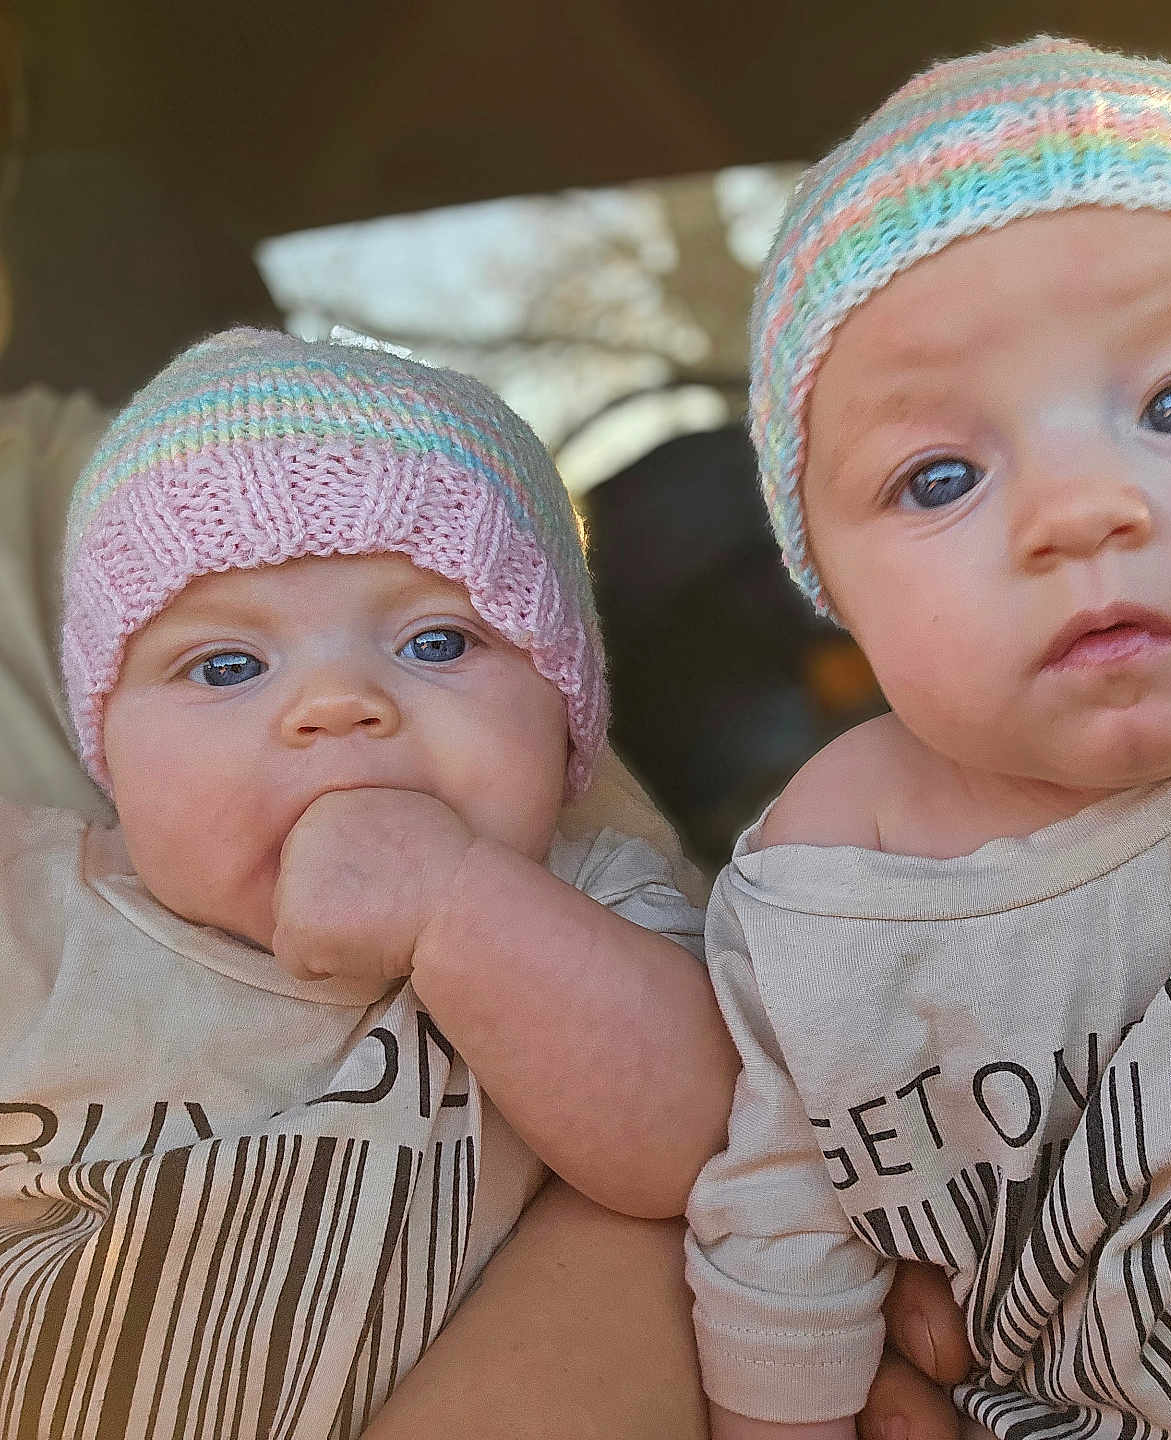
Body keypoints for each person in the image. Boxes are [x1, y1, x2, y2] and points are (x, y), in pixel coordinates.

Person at [683, 36, 1171, 1440]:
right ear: (830, 589)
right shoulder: (821, 888)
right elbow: (779, 1217)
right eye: (941, 477)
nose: (1079, 509)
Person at [0, 325, 743, 1436]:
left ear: (568, 715)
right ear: (107, 744)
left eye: (438, 644)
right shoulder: (36, 912)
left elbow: (713, 1149)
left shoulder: (598, 906)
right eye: (228, 666)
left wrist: (457, 906)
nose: (339, 703)